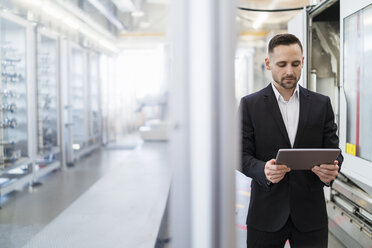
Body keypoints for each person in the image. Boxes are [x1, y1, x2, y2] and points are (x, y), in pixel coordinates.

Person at [239, 33, 343, 248]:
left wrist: (332, 169)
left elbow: (334, 151)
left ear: (303, 62)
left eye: (295, 64)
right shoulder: (250, 105)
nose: (289, 71)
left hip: (310, 215)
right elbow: (239, 154)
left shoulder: (321, 104)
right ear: (268, 64)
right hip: (265, 215)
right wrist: (262, 170)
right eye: (282, 64)